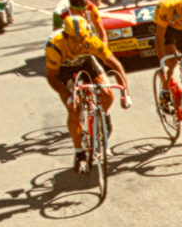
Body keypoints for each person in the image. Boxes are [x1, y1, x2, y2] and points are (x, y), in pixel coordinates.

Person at [45, 16, 132, 173]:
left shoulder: (91, 41)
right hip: (63, 70)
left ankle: (103, 115)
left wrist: (125, 93)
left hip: (86, 62)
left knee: (108, 94)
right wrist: (68, 94)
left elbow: (116, 65)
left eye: (81, 39)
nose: (78, 44)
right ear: (65, 37)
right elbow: (52, 77)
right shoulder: (55, 46)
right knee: (74, 109)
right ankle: (79, 153)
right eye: (73, 40)